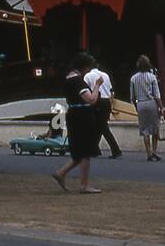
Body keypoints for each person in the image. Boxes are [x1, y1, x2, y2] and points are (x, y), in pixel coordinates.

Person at [52, 53, 102, 193]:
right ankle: (84, 184)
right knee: (86, 151)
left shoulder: (68, 78)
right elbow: (91, 99)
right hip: (82, 116)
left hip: (73, 114)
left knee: (78, 151)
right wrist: (97, 86)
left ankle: (61, 173)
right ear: (85, 67)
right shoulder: (78, 81)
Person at [83, 57, 122, 158]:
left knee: (101, 127)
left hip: (97, 100)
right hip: (107, 101)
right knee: (99, 126)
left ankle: (115, 150)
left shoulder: (88, 76)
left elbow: (85, 89)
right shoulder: (105, 75)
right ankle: (94, 149)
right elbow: (111, 90)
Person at [129, 55, 163, 161]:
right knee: (155, 128)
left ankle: (148, 153)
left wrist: (136, 106)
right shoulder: (152, 77)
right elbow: (157, 94)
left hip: (140, 104)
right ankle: (154, 151)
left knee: (145, 130)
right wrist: (161, 107)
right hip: (151, 103)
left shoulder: (133, 78)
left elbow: (132, 97)